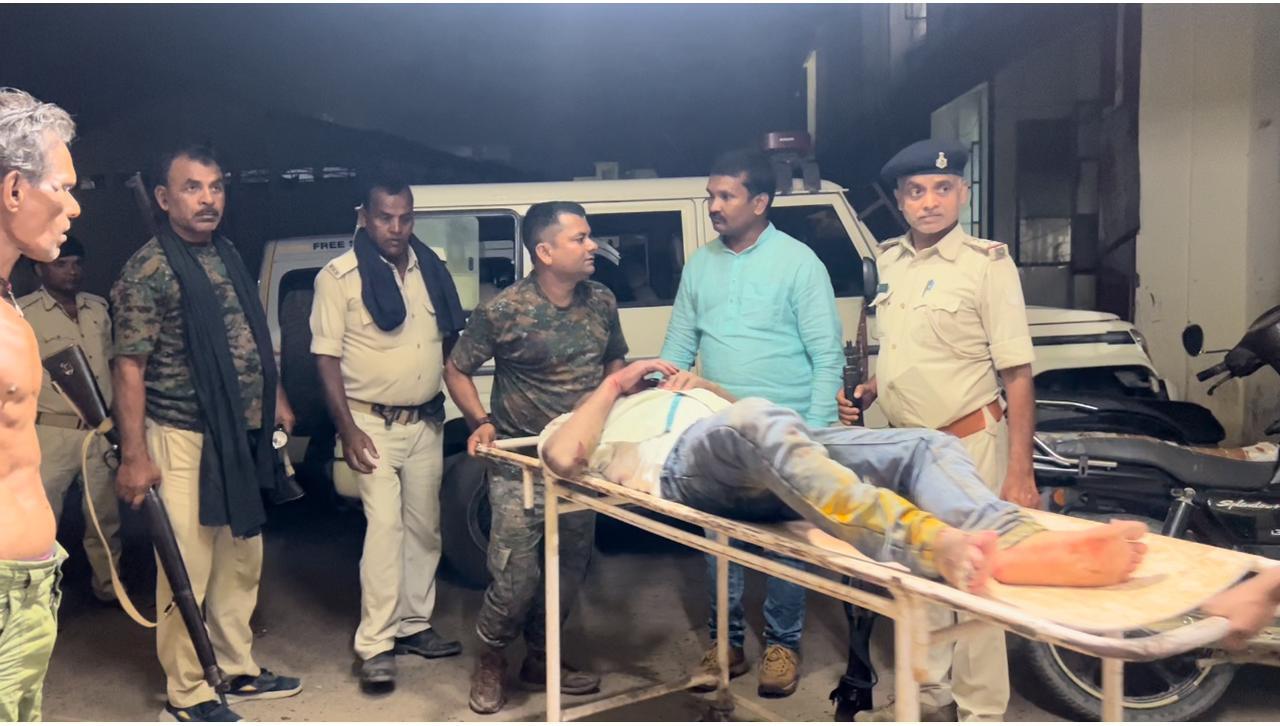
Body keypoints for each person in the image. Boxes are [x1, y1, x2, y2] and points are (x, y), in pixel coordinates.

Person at [539, 359, 1148, 593]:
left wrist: (703, 386)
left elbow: (753, 423)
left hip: (767, 450)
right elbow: (565, 459)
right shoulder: (582, 421)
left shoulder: (689, 397)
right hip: (685, 471)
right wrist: (612, 386)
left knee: (926, 443)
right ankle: (928, 543)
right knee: (755, 419)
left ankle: (1014, 542)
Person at [838, 139, 1038, 722]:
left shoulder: (986, 264)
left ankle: (980, 712)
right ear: (901, 201)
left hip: (967, 443)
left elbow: (1017, 374)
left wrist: (1020, 473)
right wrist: (871, 389)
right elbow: (907, 350)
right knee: (919, 573)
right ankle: (930, 700)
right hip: (905, 448)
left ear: (963, 194)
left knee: (975, 581)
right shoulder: (890, 261)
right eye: (917, 191)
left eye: (942, 189)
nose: (930, 202)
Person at [110, 145, 301, 722]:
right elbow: (129, 366)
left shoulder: (227, 253)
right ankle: (188, 690)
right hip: (182, 435)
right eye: (192, 187)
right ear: (164, 199)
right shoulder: (149, 269)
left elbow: (251, 337)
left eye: (216, 186)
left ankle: (235, 667)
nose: (208, 198)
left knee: (241, 557)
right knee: (187, 566)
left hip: (239, 436)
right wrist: (135, 455)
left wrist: (276, 397)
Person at [660, 149, 843, 696]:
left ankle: (783, 646)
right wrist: (666, 415)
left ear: (760, 202)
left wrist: (817, 432)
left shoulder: (799, 263)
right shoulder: (700, 264)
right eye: (711, 196)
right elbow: (678, 347)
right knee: (719, 540)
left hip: (786, 431)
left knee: (787, 542)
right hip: (719, 432)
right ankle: (726, 644)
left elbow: (826, 355)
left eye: (726, 196)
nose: (714, 206)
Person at [444, 201, 628, 714]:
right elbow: (456, 369)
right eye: (580, 238)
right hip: (519, 464)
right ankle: (492, 658)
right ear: (545, 252)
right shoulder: (503, 311)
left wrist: (613, 404)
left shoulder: (602, 301)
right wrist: (480, 419)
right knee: (516, 577)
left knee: (568, 569)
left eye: (589, 236)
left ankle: (542, 658)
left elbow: (614, 360)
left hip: (578, 464)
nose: (593, 246)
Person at [311, 176, 465, 689]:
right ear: (365, 216)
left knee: (424, 529)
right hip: (371, 424)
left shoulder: (430, 269)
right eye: (384, 217)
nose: (396, 228)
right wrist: (347, 429)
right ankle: (376, 643)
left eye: (405, 217)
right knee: (384, 530)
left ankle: (413, 625)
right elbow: (326, 359)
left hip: (426, 422)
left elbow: (447, 343)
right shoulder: (339, 277)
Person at [0, 87, 80, 722]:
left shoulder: (8, 301)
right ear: (13, 190)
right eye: (62, 187)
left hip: (29, 586)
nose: (74, 206)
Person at [18, 236, 124, 605]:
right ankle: (36, 601)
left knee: (104, 518)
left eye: (77, 263)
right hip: (51, 431)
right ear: (39, 269)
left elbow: (112, 365)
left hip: (99, 431)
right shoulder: (23, 313)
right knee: (42, 521)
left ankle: (110, 589)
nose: (72, 271)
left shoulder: (97, 308)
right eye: (61, 264)